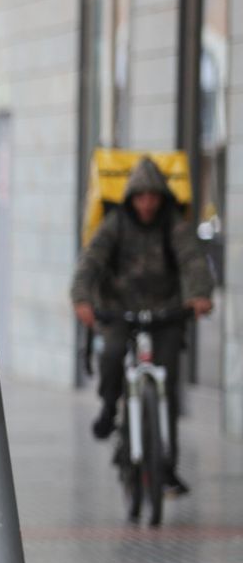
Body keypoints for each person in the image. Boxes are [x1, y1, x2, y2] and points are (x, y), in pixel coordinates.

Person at [71, 156, 216, 494]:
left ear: (162, 197)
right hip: (121, 310)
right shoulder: (116, 224)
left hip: (165, 313)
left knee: (166, 385)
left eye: (153, 196)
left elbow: (192, 260)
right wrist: (82, 298)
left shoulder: (173, 224)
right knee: (112, 354)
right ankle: (109, 407)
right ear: (131, 198)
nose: (147, 203)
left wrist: (199, 295)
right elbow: (91, 261)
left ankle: (166, 466)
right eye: (141, 196)